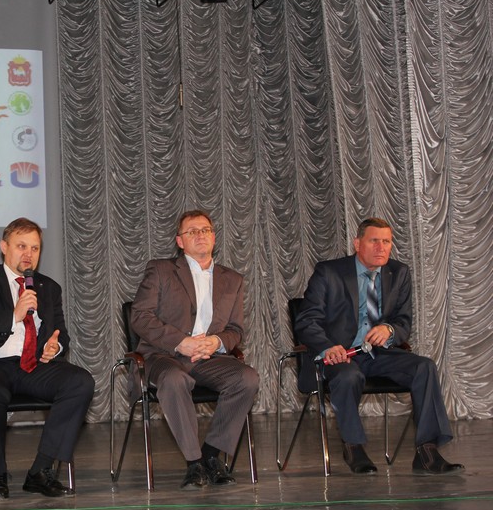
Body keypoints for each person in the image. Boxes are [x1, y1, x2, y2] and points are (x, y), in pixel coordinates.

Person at [295, 217, 464, 475]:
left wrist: (389, 330)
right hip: (338, 356)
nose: (381, 248)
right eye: (374, 241)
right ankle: (353, 447)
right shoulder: (329, 272)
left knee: (424, 367)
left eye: (386, 242)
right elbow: (306, 321)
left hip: (377, 354)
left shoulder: (398, 273)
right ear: (357, 244)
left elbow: (403, 322)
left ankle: (427, 451)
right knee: (349, 376)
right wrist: (328, 347)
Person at [0, 218, 94, 500]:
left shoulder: (48, 287)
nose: (28, 254)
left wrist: (55, 347)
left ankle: (41, 470)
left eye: (35, 248)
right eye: (21, 246)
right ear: (4, 247)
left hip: (32, 365)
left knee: (80, 382)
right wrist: (12, 315)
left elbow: (61, 334)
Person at [130, 210, 259, 490]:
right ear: (180, 241)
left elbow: (236, 330)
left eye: (206, 230)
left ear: (214, 237)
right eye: (192, 231)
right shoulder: (161, 270)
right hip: (163, 356)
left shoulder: (233, 279)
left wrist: (216, 342)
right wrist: (181, 341)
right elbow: (140, 317)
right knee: (175, 379)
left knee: (247, 378)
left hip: (207, 359)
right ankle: (194, 463)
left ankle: (211, 455)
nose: (200, 235)